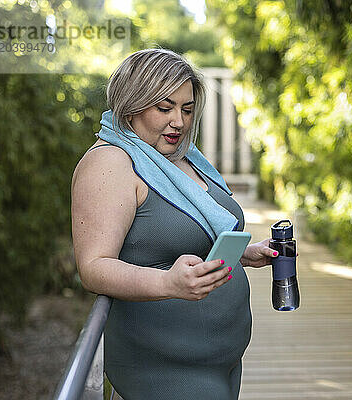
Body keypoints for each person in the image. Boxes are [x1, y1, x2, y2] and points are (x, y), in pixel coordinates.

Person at [71, 48, 278, 400]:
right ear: (131, 106)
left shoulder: (179, 156)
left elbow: (186, 238)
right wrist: (168, 283)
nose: (179, 122)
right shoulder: (110, 163)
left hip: (219, 366)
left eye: (186, 108)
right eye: (164, 108)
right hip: (163, 372)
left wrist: (244, 253)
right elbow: (93, 268)